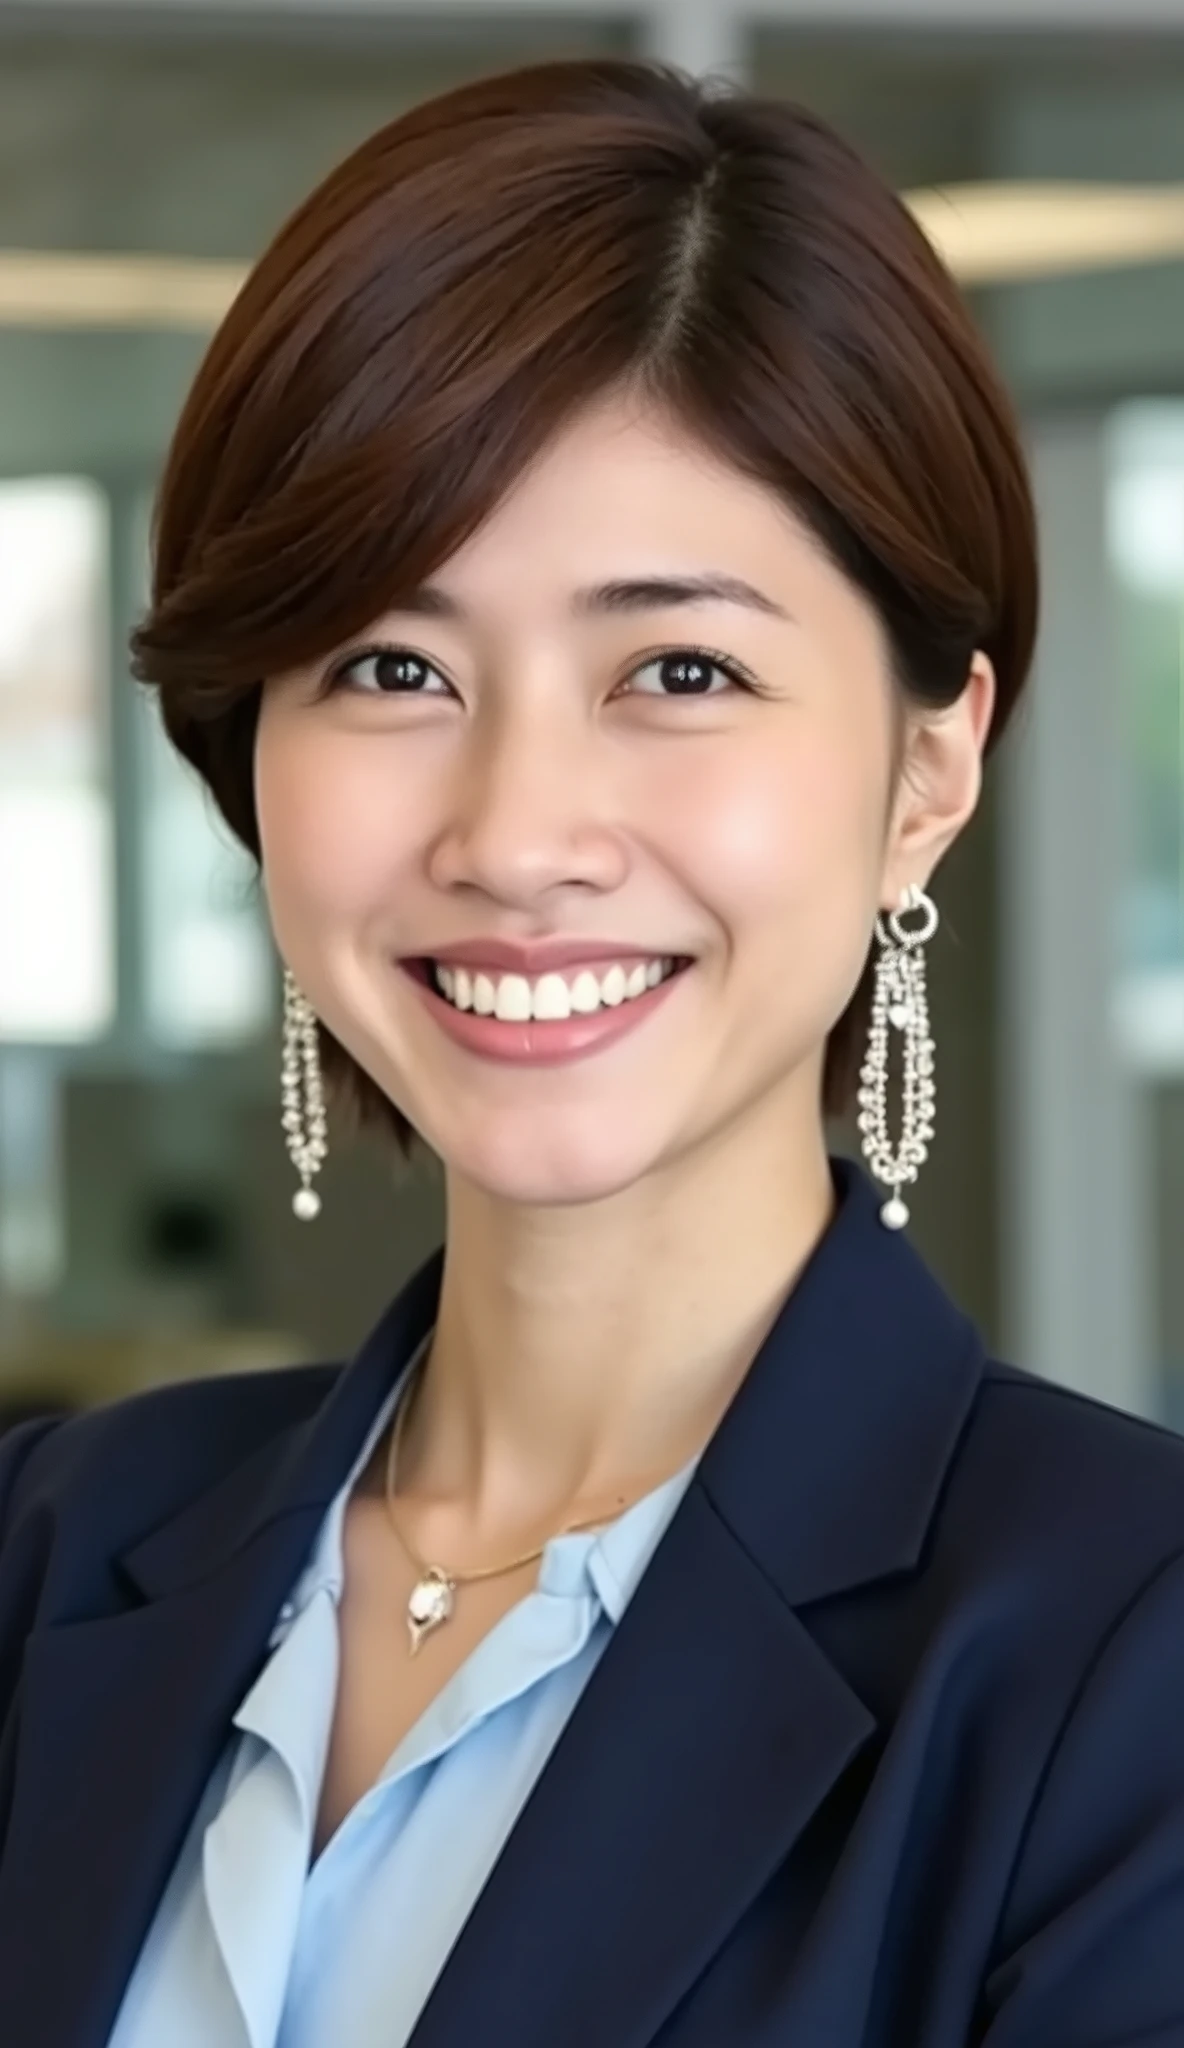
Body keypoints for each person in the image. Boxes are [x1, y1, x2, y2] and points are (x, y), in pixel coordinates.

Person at [2, 52, 1183, 2048]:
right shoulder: (53, 1558)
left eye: (678, 669)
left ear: (926, 763)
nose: (514, 831)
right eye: (391, 665)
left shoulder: (1119, 1661)